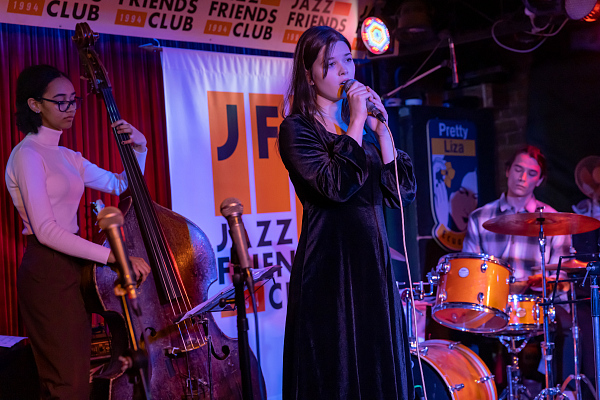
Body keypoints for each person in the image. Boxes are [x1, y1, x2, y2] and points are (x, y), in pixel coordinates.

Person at [278, 26, 417, 399]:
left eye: (348, 60)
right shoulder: (297, 129)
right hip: (330, 269)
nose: (344, 70)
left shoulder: (365, 132)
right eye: (330, 63)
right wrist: (355, 122)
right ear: (309, 75)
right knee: (335, 372)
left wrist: (381, 132)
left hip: (373, 267)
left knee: (379, 370)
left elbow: (401, 194)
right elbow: (335, 187)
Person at [5, 64, 151, 399]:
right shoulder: (27, 155)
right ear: (34, 104)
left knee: (75, 379)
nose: (70, 108)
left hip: (75, 266)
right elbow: (46, 231)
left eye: (73, 100)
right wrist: (115, 257)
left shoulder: (68, 156)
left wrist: (140, 148)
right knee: (67, 384)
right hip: (47, 270)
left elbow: (121, 184)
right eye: (60, 101)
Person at [462, 145, 573, 392]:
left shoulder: (554, 219)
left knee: (566, 327)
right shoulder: (480, 217)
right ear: (507, 171)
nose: (522, 177)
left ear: (540, 180)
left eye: (531, 173)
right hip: (492, 302)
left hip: (536, 301)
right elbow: (471, 268)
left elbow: (562, 274)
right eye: (518, 169)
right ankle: (482, 391)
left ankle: (557, 391)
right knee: (464, 327)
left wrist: (543, 283)